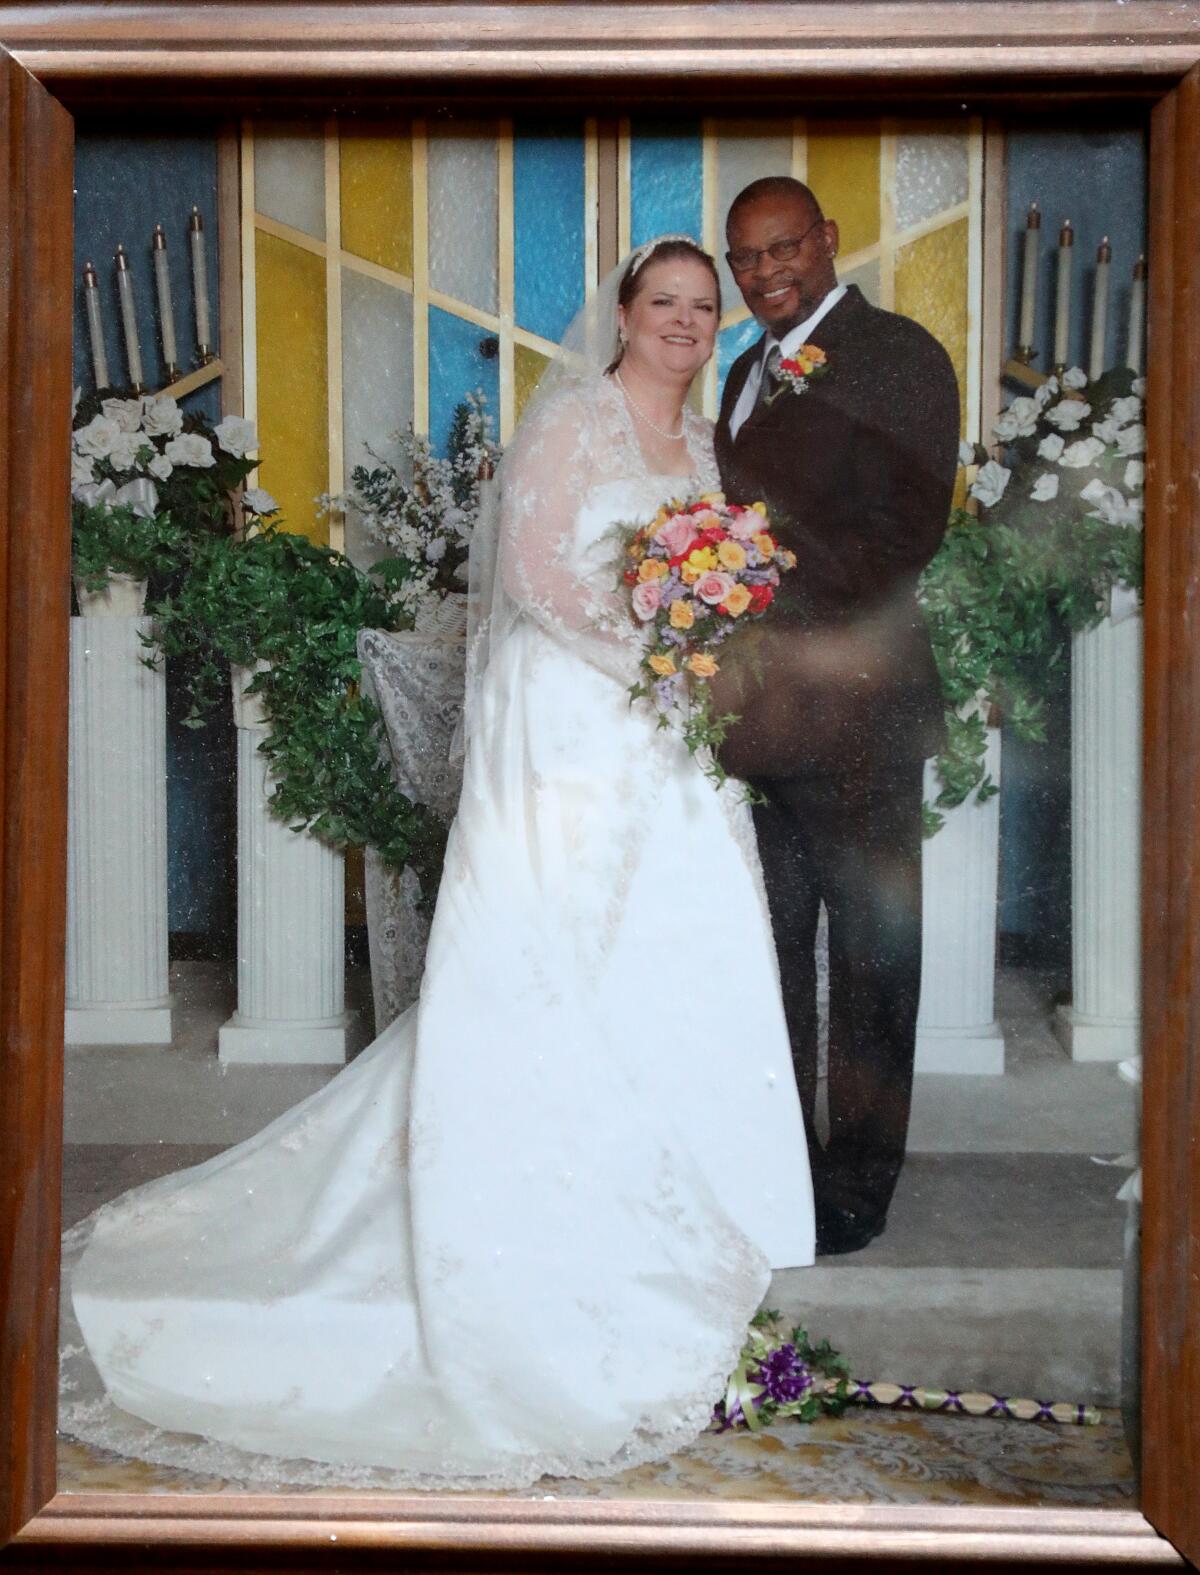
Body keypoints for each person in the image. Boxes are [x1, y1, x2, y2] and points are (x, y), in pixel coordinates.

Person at [60, 236, 815, 1491]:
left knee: (675, 939)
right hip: (568, 718)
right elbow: (530, 578)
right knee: (546, 954)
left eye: (702, 308)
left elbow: (716, 574)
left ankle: (698, 1198)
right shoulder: (578, 418)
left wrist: (706, 643)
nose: (683, 323)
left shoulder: (706, 440)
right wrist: (654, 652)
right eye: (663, 302)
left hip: (664, 725)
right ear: (623, 314)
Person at [712, 177, 960, 1258]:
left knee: (869, 963)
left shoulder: (899, 355)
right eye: (747, 259)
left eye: (784, 250)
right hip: (759, 722)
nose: (768, 273)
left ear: (827, 241)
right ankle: (783, 1171)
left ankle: (858, 1191)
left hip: (859, 711)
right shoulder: (737, 371)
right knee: (770, 957)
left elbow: (904, 538)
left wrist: (757, 594)